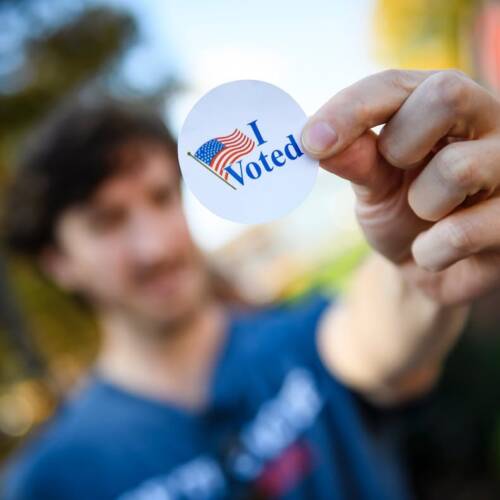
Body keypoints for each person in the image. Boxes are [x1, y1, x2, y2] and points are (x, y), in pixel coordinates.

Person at [3, 69, 500, 500]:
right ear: (58, 262)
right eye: (107, 222)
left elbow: (375, 346)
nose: (154, 247)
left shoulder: (299, 340)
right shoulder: (53, 481)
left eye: (160, 198)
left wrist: (420, 262)